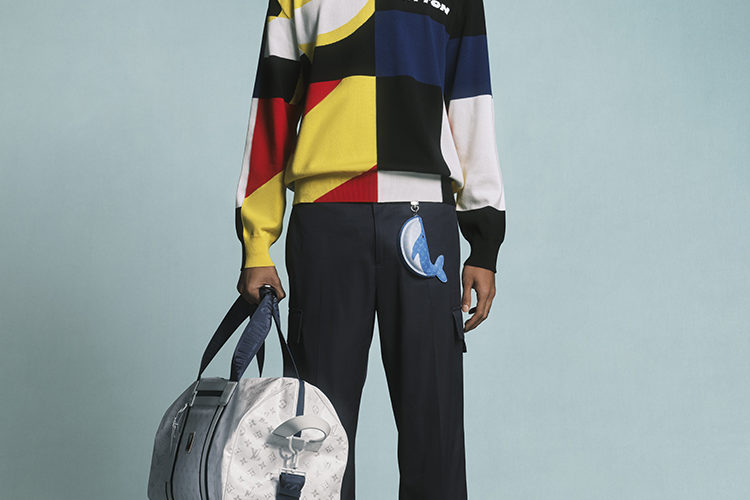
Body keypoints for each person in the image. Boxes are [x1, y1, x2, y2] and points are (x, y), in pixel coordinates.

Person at [235, 1, 505, 498]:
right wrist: (257, 242)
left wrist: (483, 241)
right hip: (326, 221)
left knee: (434, 425)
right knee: (314, 431)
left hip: (425, 215)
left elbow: (471, 100)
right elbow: (273, 103)